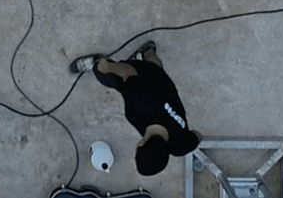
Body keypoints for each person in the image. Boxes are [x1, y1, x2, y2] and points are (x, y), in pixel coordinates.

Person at [70, 41, 201, 176]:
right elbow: (128, 72)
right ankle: (98, 61)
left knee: (156, 67)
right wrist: (109, 67)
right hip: (144, 77)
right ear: (141, 144)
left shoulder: (181, 146)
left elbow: (197, 136)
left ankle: (147, 51)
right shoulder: (138, 108)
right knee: (105, 74)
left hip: (164, 85)